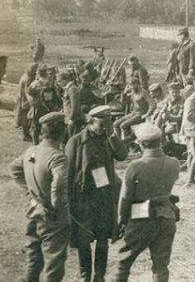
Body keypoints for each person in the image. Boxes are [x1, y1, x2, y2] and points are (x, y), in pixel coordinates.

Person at [65, 105, 128, 282]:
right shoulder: (76, 141)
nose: (104, 128)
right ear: (90, 122)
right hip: (83, 198)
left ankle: (99, 277)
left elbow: (122, 155)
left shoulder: (108, 138)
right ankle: (85, 276)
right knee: (84, 239)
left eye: (108, 124)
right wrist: (69, 202)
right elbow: (69, 174)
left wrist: (112, 134)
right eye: (102, 124)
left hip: (104, 197)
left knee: (102, 239)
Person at [112, 123, 180, 282]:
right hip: (166, 216)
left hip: (140, 216)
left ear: (141, 144)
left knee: (124, 262)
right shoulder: (174, 163)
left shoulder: (135, 166)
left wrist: (121, 220)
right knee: (161, 265)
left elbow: (125, 198)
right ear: (160, 141)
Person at [8, 112, 70, 282]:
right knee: (54, 262)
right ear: (62, 133)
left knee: (33, 256)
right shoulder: (58, 158)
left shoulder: (31, 151)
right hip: (51, 215)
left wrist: (30, 192)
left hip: (34, 208)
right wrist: (56, 208)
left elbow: (14, 169)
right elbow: (57, 188)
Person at [27, 65, 61, 145]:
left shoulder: (35, 84)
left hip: (38, 108)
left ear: (38, 74)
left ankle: (35, 145)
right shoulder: (51, 83)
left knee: (35, 128)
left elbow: (29, 93)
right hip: (49, 108)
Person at [113, 78, 149, 143]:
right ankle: (118, 144)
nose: (132, 87)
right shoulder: (132, 93)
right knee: (115, 124)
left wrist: (147, 114)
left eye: (134, 85)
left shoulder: (143, 92)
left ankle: (126, 145)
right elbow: (123, 103)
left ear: (138, 85)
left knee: (123, 125)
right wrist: (124, 93)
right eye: (131, 85)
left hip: (141, 114)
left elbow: (152, 103)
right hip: (134, 113)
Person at [16, 63, 39, 142]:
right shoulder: (28, 79)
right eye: (34, 71)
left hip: (21, 98)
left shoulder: (24, 76)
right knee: (26, 118)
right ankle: (25, 135)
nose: (35, 73)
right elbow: (27, 91)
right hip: (25, 100)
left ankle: (25, 133)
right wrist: (31, 102)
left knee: (24, 116)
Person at [58, 71, 83, 138]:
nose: (59, 83)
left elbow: (75, 105)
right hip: (69, 117)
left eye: (59, 81)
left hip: (74, 119)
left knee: (73, 138)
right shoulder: (68, 88)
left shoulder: (72, 89)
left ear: (65, 80)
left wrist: (71, 118)